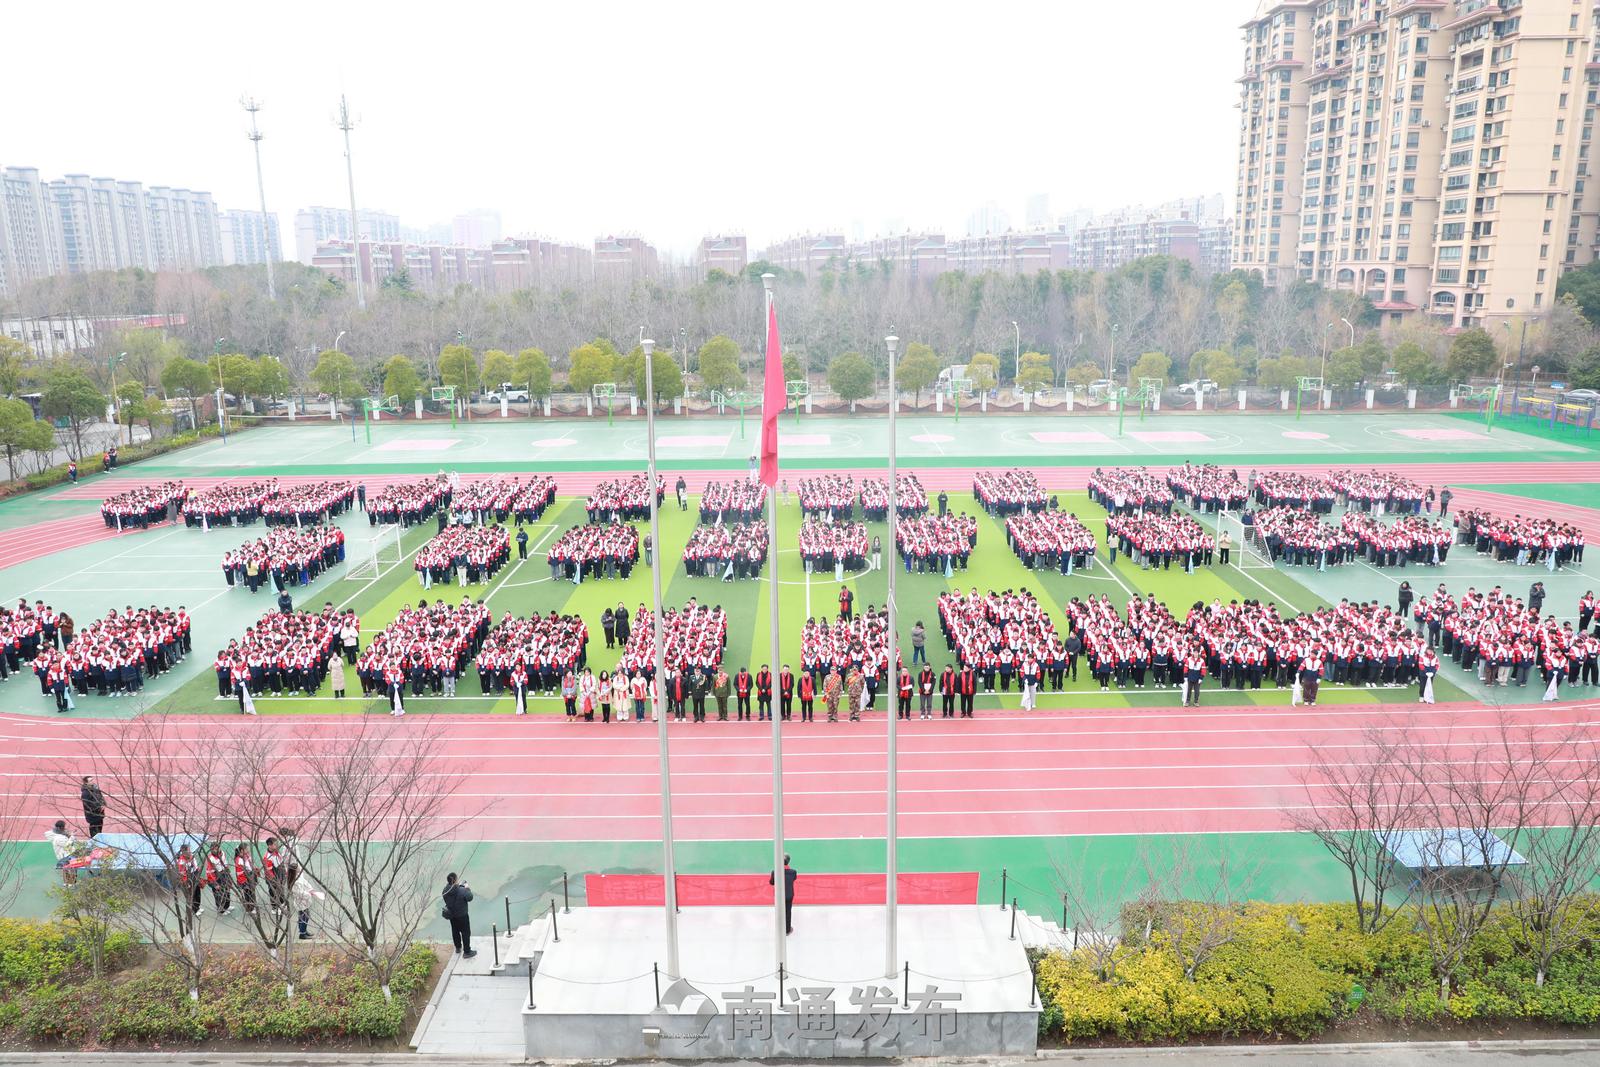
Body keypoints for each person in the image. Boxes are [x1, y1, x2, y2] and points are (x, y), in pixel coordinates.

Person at [442, 872, 476, 957]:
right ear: (455, 880)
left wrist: (459, 886)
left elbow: (451, 893)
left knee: (455, 931)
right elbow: (470, 898)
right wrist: (467, 888)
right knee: (465, 932)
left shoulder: (445, 891)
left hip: (452, 915)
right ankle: (467, 952)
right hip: (462, 916)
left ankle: (458, 947)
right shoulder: (462, 890)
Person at [769, 853, 798, 935]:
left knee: (779, 911)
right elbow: (794, 879)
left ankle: (779, 929)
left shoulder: (775, 872)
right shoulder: (793, 872)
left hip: (779, 896)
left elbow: (771, 882)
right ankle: (787, 930)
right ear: (788, 862)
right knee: (788, 911)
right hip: (789, 895)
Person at [47, 820, 79, 885]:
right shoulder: (58, 838)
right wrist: (72, 837)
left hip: (66, 854)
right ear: (60, 828)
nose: (64, 828)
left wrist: (70, 835)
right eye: (63, 827)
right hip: (65, 856)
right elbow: (67, 845)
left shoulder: (58, 833)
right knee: (70, 868)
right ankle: (70, 882)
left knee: (67, 868)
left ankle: (69, 882)